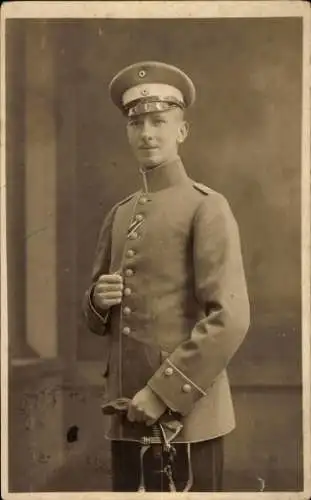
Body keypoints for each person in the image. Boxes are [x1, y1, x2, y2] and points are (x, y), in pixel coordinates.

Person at [83, 60, 250, 492]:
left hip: (186, 418)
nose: (147, 134)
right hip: (124, 417)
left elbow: (229, 318)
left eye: (159, 121)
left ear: (182, 131)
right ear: (127, 132)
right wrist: (96, 302)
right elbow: (96, 318)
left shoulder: (206, 207)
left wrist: (161, 395)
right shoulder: (119, 214)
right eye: (136, 123)